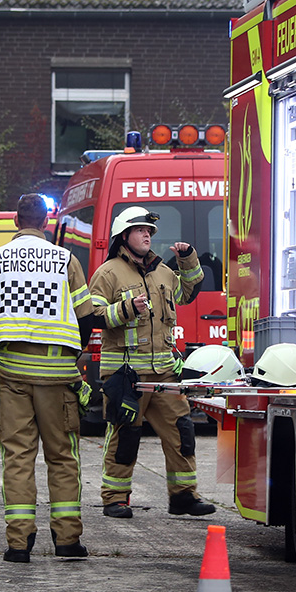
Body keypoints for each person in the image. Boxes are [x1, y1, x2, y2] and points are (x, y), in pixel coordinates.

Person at [0, 193, 100, 562]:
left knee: (18, 458)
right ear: (47, 222)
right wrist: (70, 358)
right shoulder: (66, 259)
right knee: (63, 457)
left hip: (11, 374)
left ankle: (18, 545)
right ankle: (68, 541)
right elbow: (86, 320)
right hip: (57, 377)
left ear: (14, 221)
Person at [90, 205, 215, 519]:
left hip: (164, 377)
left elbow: (189, 292)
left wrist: (187, 259)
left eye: (150, 231)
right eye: (141, 230)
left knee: (182, 433)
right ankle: (115, 499)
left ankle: (184, 497)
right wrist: (128, 307)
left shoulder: (163, 272)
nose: (147, 235)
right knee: (124, 437)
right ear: (124, 236)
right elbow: (93, 316)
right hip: (126, 377)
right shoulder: (107, 273)